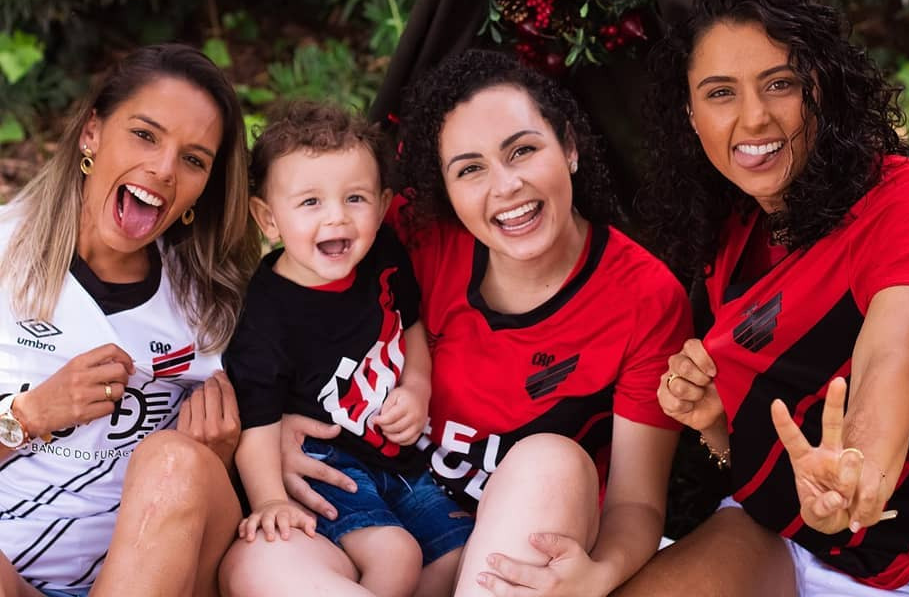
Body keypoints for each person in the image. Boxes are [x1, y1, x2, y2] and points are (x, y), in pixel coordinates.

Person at [219, 49, 693, 597]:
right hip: (370, 504)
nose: (505, 186)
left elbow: (635, 502)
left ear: (569, 146)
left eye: (523, 150)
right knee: (260, 561)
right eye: (470, 169)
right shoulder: (407, 232)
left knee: (553, 460)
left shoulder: (643, 296)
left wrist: (601, 575)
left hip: (514, 538)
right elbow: (291, 305)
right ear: (442, 187)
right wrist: (273, 423)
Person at [616, 0, 909, 597]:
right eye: (720, 93)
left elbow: (889, 362)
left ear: (823, 87)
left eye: (780, 84)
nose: (753, 119)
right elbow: (769, 433)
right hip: (784, 530)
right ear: (690, 114)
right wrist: (717, 423)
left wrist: (857, 470)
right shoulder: (737, 223)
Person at [0, 43, 260, 597]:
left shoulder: (215, 303)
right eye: (145, 134)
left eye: (194, 160)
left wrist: (216, 458)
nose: (163, 169)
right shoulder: (5, 251)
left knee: (174, 461)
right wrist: (29, 414)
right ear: (91, 133)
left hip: (144, 574)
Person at [225, 102, 471, 597]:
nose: (336, 216)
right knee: (396, 554)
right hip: (324, 460)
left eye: (355, 198)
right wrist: (270, 500)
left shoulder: (384, 255)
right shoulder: (267, 315)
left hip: (397, 459)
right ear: (268, 218)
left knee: (460, 553)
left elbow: (410, 325)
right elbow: (258, 426)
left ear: (381, 207)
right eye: (310, 202)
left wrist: (417, 386)